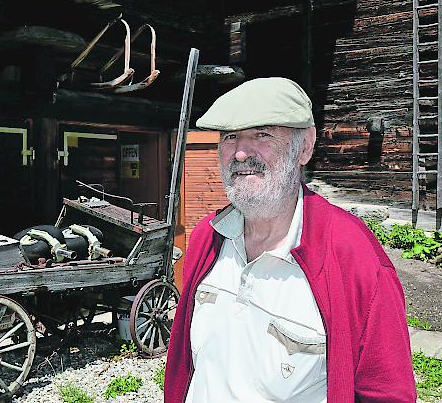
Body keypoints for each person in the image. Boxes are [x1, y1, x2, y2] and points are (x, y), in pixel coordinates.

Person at [164, 77, 416, 402]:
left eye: (262, 134)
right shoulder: (207, 238)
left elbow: (387, 394)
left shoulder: (353, 256)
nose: (240, 153)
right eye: (230, 137)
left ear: (306, 146)